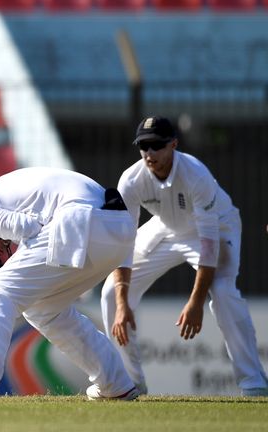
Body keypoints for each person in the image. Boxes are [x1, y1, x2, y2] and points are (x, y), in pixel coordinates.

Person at [0, 167, 140, 401]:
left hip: (80, 221)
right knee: (43, 310)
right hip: (119, 232)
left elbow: (30, 230)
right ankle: (115, 384)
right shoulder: (0, 197)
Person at [100, 116, 268, 396]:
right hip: (165, 227)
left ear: (174, 144)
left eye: (156, 146)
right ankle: (129, 384)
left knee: (224, 294)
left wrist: (196, 302)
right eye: (143, 146)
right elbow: (123, 241)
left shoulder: (196, 175)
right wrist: (122, 302)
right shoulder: (131, 180)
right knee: (109, 295)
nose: (149, 154)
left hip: (217, 227)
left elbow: (209, 245)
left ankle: (254, 383)